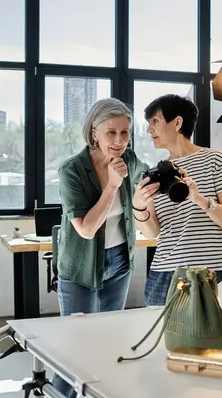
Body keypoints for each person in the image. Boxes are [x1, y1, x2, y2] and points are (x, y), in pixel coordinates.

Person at [54, 98, 150, 397]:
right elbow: (85, 229)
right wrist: (112, 185)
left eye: (125, 133)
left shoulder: (130, 160)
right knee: (76, 350)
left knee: (110, 344)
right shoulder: (72, 170)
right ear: (94, 132)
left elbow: (146, 184)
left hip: (119, 263)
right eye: (112, 133)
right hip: (80, 268)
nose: (120, 141)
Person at [132, 94, 222, 306]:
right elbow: (152, 232)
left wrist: (199, 199)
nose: (149, 130)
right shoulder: (156, 173)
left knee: (215, 338)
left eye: (155, 121)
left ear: (178, 123)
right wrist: (139, 205)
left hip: (211, 271)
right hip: (164, 274)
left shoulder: (215, 160)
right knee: (162, 339)